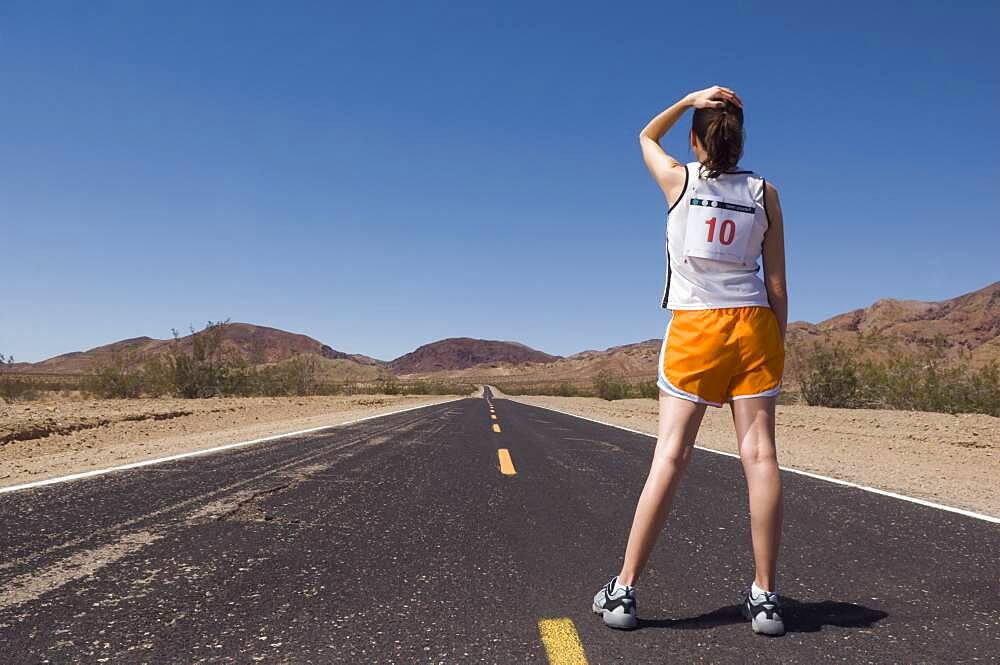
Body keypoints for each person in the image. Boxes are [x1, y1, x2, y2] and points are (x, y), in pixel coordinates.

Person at [591, 85, 788, 636]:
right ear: (740, 139)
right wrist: (779, 342)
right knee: (760, 458)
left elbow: (644, 135)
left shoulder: (679, 182)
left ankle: (624, 590)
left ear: (698, 140)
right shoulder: (764, 192)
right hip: (755, 327)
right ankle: (766, 597)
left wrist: (685, 100)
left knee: (671, 456)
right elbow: (775, 281)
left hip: (696, 329)